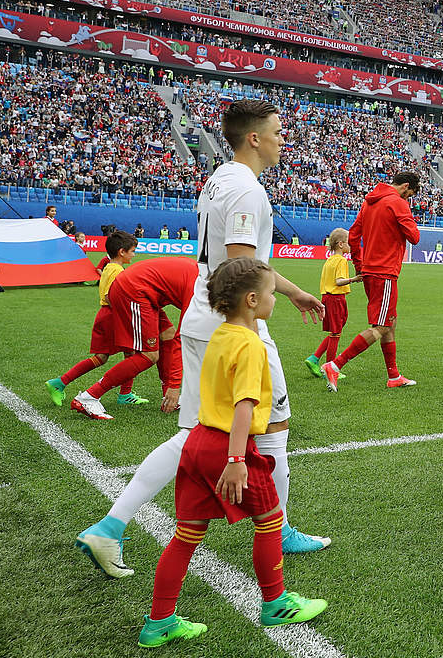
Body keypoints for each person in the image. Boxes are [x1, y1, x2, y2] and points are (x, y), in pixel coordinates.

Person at [76, 100, 330, 580]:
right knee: (275, 423)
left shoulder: (218, 178)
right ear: (253, 138)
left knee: (193, 433)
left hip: (200, 311)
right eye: (277, 132)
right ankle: (279, 529)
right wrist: (256, 324)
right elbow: (240, 269)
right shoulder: (247, 191)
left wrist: (293, 292)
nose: (282, 139)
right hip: (230, 320)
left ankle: (110, 525)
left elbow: (236, 263)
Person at [136, 258, 326, 648]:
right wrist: (237, 460)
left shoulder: (221, 334)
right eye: (272, 293)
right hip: (228, 446)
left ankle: (159, 621)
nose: (276, 298)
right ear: (253, 299)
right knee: (271, 520)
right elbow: (244, 404)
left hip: (198, 442)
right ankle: (275, 602)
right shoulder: (251, 345)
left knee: (186, 536)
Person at [322, 172, 422, 389]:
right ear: (406, 187)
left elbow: (354, 236)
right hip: (384, 272)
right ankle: (335, 365)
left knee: (390, 321)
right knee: (382, 326)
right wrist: (406, 215)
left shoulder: (368, 203)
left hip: (370, 271)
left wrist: (360, 266)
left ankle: (394, 376)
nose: (408, 199)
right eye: (410, 194)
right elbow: (414, 237)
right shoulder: (398, 203)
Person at [67, 257, 197, 421]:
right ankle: (88, 397)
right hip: (134, 290)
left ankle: (168, 397)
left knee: (167, 334)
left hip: (144, 291)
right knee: (149, 355)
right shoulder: (199, 289)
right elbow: (182, 338)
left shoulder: (206, 277)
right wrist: (174, 385)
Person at [46, 231, 144, 410]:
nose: (134, 254)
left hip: (109, 316)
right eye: (132, 251)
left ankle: (125, 394)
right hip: (113, 317)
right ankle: (60, 382)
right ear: (122, 252)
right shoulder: (116, 270)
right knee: (121, 356)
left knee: (125, 355)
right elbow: (109, 296)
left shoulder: (110, 267)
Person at [304, 229, 360, 378]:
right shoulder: (341, 260)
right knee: (336, 333)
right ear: (341, 244)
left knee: (335, 331)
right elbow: (338, 281)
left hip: (327, 298)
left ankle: (314, 358)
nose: (351, 245)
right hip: (336, 298)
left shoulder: (329, 260)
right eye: (349, 242)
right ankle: (331, 368)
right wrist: (355, 279)